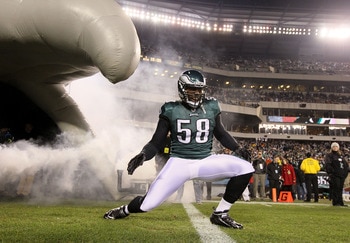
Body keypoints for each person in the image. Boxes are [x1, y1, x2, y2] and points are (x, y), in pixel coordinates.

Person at [104, 70, 254, 229]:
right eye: (192, 89)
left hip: (204, 161)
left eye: (199, 89)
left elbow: (221, 134)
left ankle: (220, 214)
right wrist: (143, 155)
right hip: (179, 163)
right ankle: (125, 209)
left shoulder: (212, 106)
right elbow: (156, 142)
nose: (196, 93)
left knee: (245, 168)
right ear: (182, 89)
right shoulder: (170, 109)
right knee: (146, 205)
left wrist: (237, 148)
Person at [324, 142, 349, 207]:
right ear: (332, 148)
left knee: (340, 188)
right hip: (335, 175)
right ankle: (335, 202)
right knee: (336, 188)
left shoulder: (341, 156)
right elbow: (328, 165)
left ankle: (340, 202)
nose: (335, 147)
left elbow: (345, 166)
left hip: (341, 175)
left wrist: (344, 173)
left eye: (336, 146)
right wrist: (331, 173)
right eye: (334, 146)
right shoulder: (329, 155)